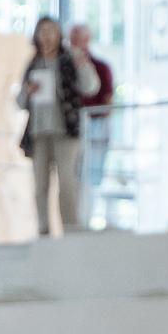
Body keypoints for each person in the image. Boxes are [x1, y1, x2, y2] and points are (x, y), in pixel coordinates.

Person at [18, 16, 82, 235]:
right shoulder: (32, 64)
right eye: (42, 31)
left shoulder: (68, 61)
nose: (46, 36)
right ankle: (43, 230)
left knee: (67, 183)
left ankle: (71, 230)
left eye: (51, 31)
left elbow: (89, 87)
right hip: (38, 133)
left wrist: (82, 63)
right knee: (40, 186)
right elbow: (20, 102)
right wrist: (27, 91)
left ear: (58, 34)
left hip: (65, 131)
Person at [68, 23, 114, 211]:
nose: (75, 44)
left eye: (79, 39)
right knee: (73, 176)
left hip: (95, 126)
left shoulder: (101, 68)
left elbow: (107, 102)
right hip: (72, 128)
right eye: (73, 39)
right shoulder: (66, 68)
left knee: (90, 176)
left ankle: (87, 214)